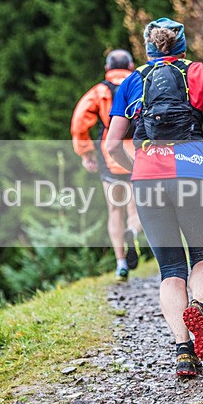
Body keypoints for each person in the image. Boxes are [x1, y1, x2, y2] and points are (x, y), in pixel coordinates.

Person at [106, 18, 203, 377]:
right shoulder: (197, 72)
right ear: (181, 45)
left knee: (170, 271)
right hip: (191, 173)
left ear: (148, 48)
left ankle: (183, 351)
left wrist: (135, 165)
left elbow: (112, 145)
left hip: (147, 179)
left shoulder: (132, 81)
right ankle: (199, 306)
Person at [71, 49, 142, 282]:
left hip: (109, 153)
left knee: (115, 210)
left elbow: (80, 120)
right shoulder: (140, 82)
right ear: (131, 66)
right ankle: (133, 233)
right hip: (138, 153)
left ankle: (121, 263)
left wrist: (86, 152)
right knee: (137, 207)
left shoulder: (99, 91)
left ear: (107, 68)